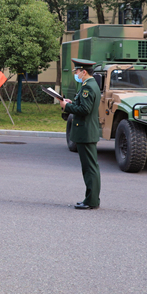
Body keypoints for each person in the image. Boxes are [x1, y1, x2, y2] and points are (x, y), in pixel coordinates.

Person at [61, 58, 101, 210]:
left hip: (86, 132)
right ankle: (91, 199)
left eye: (77, 71)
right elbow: (84, 105)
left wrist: (66, 107)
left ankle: (91, 201)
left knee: (90, 168)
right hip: (87, 131)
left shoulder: (88, 87)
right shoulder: (90, 84)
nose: (76, 74)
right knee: (90, 167)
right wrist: (72, 103)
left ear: (84, 72)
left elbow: (85, 110)